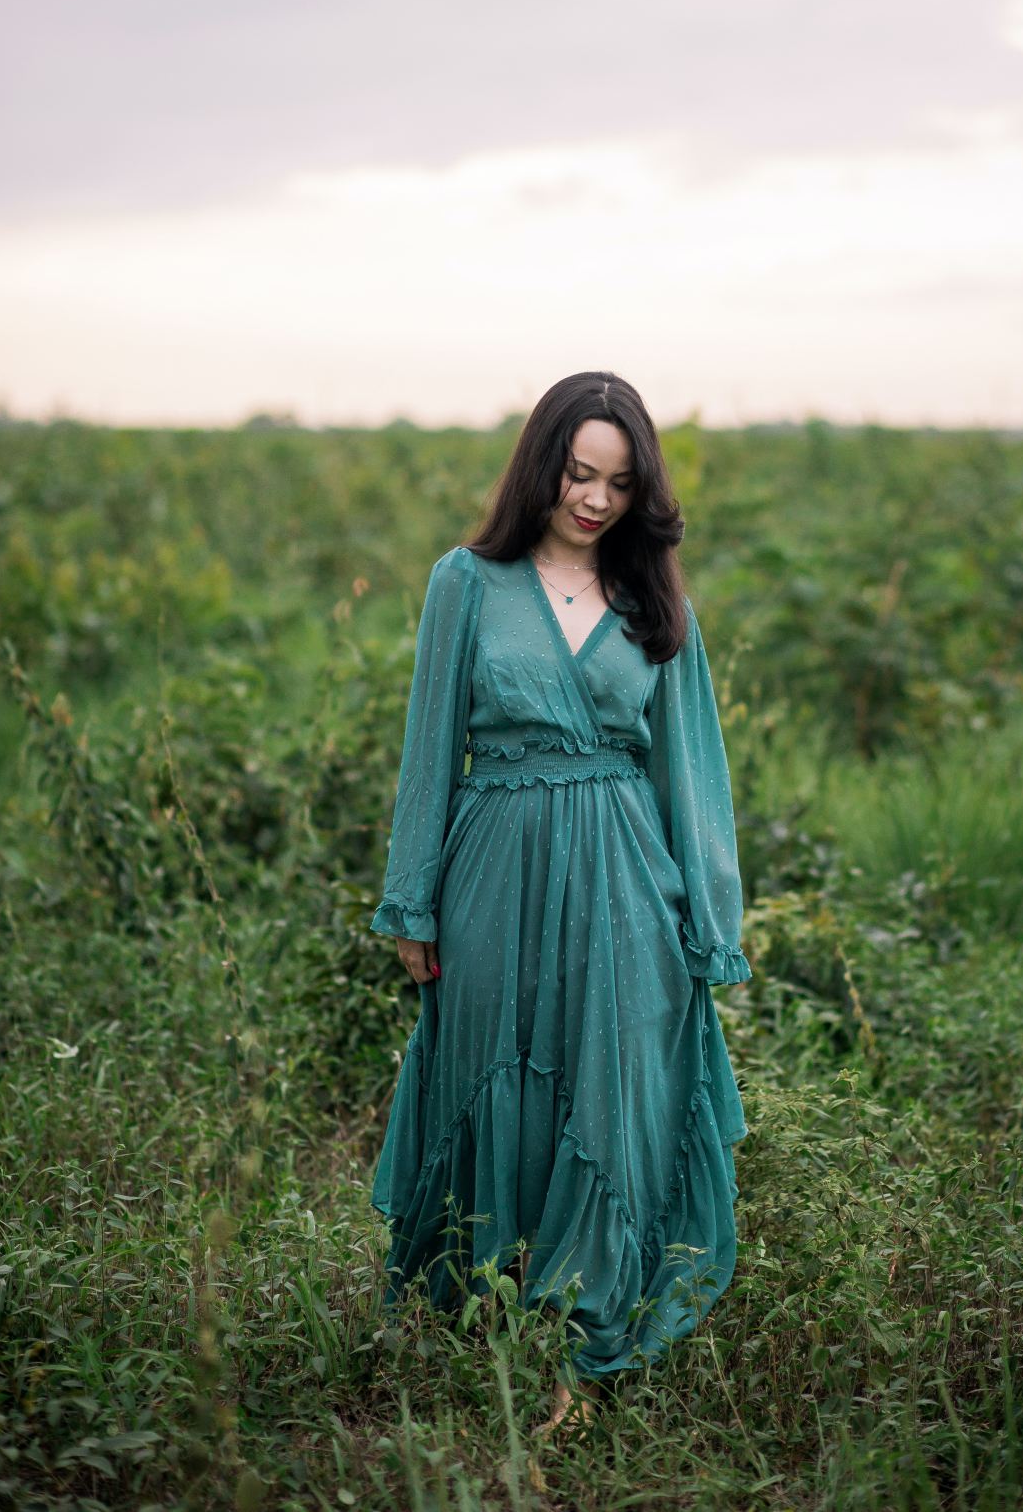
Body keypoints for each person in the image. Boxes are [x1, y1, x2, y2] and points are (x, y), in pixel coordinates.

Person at [370, 370, 752, 1436]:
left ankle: (582, 1314)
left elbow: (690, 767)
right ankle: (481, 1304)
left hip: (626, 873)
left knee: (613, 1079)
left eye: (618, 482)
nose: (593, 499)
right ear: (542, 465)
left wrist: (707, 920)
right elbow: (426, 750)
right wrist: (413, 904)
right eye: (578, 473)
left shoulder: (654, 598)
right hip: (490, 864)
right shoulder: (468, 581)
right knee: (492, 1065)